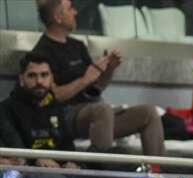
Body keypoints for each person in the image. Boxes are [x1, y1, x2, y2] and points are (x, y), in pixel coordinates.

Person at [32, 0, 165, 158]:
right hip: (63, 117)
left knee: (148, 112)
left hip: (96, 114)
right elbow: (51, 96)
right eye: (70, 9)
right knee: (102, 109)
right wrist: (85, 79)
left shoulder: (77, 46)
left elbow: (95, 88)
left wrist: (108, 70)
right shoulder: (42, 52)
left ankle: (160, 175)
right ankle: (103, 174)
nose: (75, 12)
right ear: (58, 16)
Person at [0, 53, 71, 178]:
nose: (39, 81)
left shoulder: (57, 109)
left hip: (44, 171)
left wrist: (70, 162)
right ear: (21, 79)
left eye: (44, 75)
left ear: (52, 78)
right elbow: (13, 144)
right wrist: (36, 158)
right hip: (17, 168)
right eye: (32, 75)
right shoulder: (6, 108)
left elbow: (68, 145)